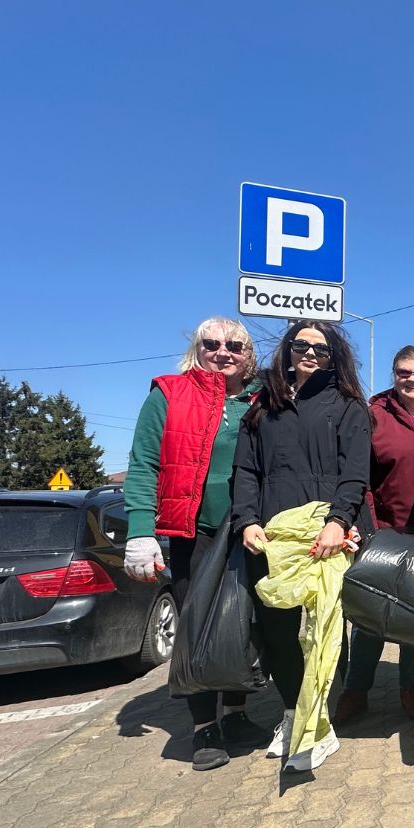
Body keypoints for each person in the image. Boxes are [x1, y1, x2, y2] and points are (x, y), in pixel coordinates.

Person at [122, 318, 265, 772]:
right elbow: (143, 464)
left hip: (251, 528)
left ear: (249, 355)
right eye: (212, 343)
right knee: (197, 625)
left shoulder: (263, 398)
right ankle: (204, 726)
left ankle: (237, 713)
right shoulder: (169, 393)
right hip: (194, 531)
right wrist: (140, 530)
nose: (224, 352)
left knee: (246, 623)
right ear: (196, 348)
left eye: (235, 346)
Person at [230, 321, 371, 767]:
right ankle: (293, 711)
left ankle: (319, 722)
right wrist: (246, 521)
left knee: (323, 629)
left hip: (325, 533)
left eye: (321, 349)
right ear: (287, 349)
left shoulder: (347, 405)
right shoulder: (263, 406)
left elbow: (355, 473)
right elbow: (246, 471)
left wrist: (338, 521)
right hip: (272, 536)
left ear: (334, 357)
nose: (310, 353)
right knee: (278, 629)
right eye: (301, 345)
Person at [331, 345, 414, 727]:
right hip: (383, 529)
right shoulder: (374, 414)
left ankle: (410, 686)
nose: (412, 379)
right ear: (394, 374)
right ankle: (356, 690)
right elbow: (358, 475)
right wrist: (367, 526)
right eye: (403, 372)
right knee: (370, 608)